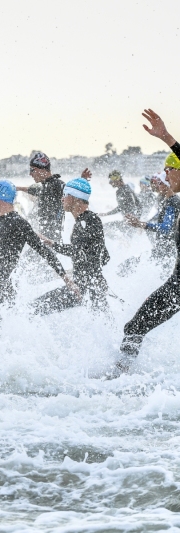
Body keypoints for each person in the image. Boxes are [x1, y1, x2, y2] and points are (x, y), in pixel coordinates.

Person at [112, 109, 180, 377]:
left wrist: (167, 138)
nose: (165, 176)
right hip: (176, 284)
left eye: (168, 170)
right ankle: (121, 376)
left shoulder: (175, 202)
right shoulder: (172, 202)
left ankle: (119, 378)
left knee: (134, 327)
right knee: (134, 327)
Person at [0, 180, 78, 310]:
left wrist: (66, 279)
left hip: (4, 290)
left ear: (1, 198)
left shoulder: (18, 223)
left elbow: (44, 251)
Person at [31, 178, 109, 315]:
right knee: (103, 322)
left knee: (34, 308)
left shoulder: (87, 221)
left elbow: (78, 251)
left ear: (74, 198)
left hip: (87, 287)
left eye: (65, 195)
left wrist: (51, 243)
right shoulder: (87, 220)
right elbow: (103, 256)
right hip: (91, 285)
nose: (62, 199)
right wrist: (78, 270)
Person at [124, 171, 179, 265]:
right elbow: (159, 215)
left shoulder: (172, 201)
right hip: (162, 248)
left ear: (167, 185)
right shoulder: (167, 200)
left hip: (167, 251)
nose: (157, 185)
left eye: (159, 183)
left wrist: (142, 224)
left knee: (128, 265)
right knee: (128, 264)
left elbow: (166, 228)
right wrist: (141, 223)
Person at [16, 152, 66, 241]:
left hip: (52, 240)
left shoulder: (58, 185)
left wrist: (82, 182)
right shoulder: (46, 186)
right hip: (45, 239)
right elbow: (36, 190)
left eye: (32, 170)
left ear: (42, 169)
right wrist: (18, 188)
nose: (30, 174)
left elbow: (74, 196)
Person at [99, 170, 141, 236]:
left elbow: (122, 207)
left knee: (103, 228)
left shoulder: (124, 190)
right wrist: (137, 221)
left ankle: (121, 239)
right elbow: (138, 206)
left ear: (117, 180)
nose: (110, 183)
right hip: (129, 223)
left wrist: (106, 214)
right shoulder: (125, 189)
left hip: (128, 224)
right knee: (106, 229)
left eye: (111, 180)